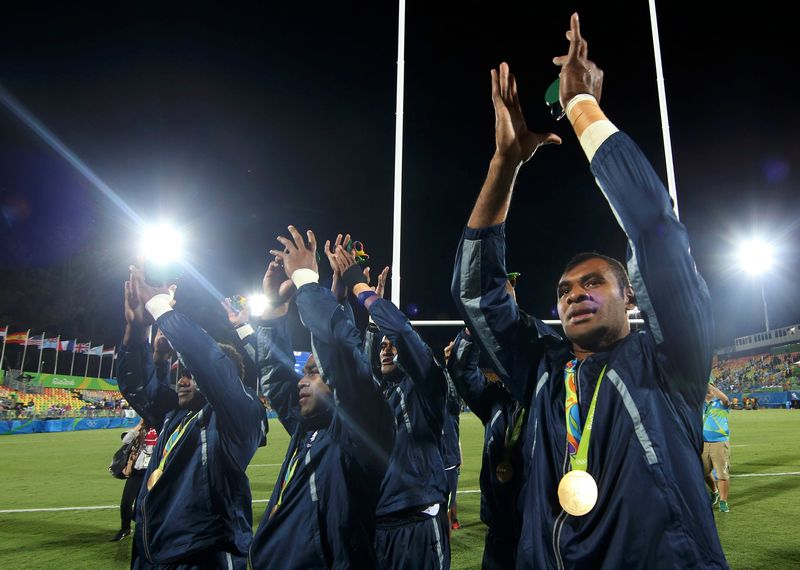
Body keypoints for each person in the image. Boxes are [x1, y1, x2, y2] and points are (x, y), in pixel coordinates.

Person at [450, 13, 727, 567]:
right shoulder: (542, 371)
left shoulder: (673, 360)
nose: (574, 294)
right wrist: (504, 164)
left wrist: (582, 109)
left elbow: (657, 233)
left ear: (631, 298)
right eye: (564, 289)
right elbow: (478, 291)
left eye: (594, 282)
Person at [249, 227, 395, 569]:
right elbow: (276, 376)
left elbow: (341, 353)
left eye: (314, 372)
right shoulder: (307, 428)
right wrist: (273, 311)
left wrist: (306, 280)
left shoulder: (357, 432)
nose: (303, 379)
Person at [117, 263, 266, 569]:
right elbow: (137, 386)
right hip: (152, 551)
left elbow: (210, 363)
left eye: (190, 374)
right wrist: (137, 329)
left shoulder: (236, 418)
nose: (182, 380)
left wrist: (159, 306)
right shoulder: (172, 416)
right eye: (181, 373)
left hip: (203, 554)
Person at [334, 245, 451, 570]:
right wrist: (344, 302)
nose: (386, 351)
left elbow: (401, 332)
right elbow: (351, 358)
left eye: (392, 348)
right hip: (372, 523)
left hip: (416, 527)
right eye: (381, 347)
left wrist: (362, 289)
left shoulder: (426, 387)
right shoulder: (378, 393)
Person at [446, 326, 526, 569]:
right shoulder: (496, 401)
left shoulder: (549, 400)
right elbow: (462, 371)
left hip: (537, 533)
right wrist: (474, 328)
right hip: (498, 536)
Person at [112, 419, 159, 542]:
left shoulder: (162, 427)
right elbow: (126, 440)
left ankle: (149, 528)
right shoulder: (142, 429)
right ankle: (125, 529)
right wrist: (140, 425)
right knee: (126, 502)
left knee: (145, 503)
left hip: (152, 472)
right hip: (137, 471)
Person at [703, 380, 731, 513]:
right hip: (702, 442)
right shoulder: (699, 404)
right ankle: (715, 491)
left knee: (722, 474)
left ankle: (723, 501)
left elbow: (726, 399)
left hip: (719, 442)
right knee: (703, 472)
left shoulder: (720, 403)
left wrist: (709, 385)